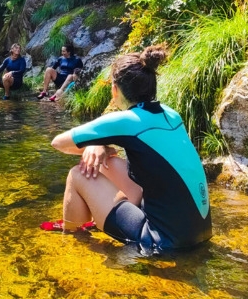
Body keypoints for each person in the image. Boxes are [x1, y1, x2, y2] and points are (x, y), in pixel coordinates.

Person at [43, 44, 212, 255]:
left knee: (78, 174)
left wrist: (99, 145)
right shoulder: (171, 114)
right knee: (109, 163)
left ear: (115, 90)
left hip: (162, 241)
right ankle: (106, 217)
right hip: (200, 233)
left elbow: (58, 142)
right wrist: (101, 146)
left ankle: (73, 240)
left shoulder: (126, 120)